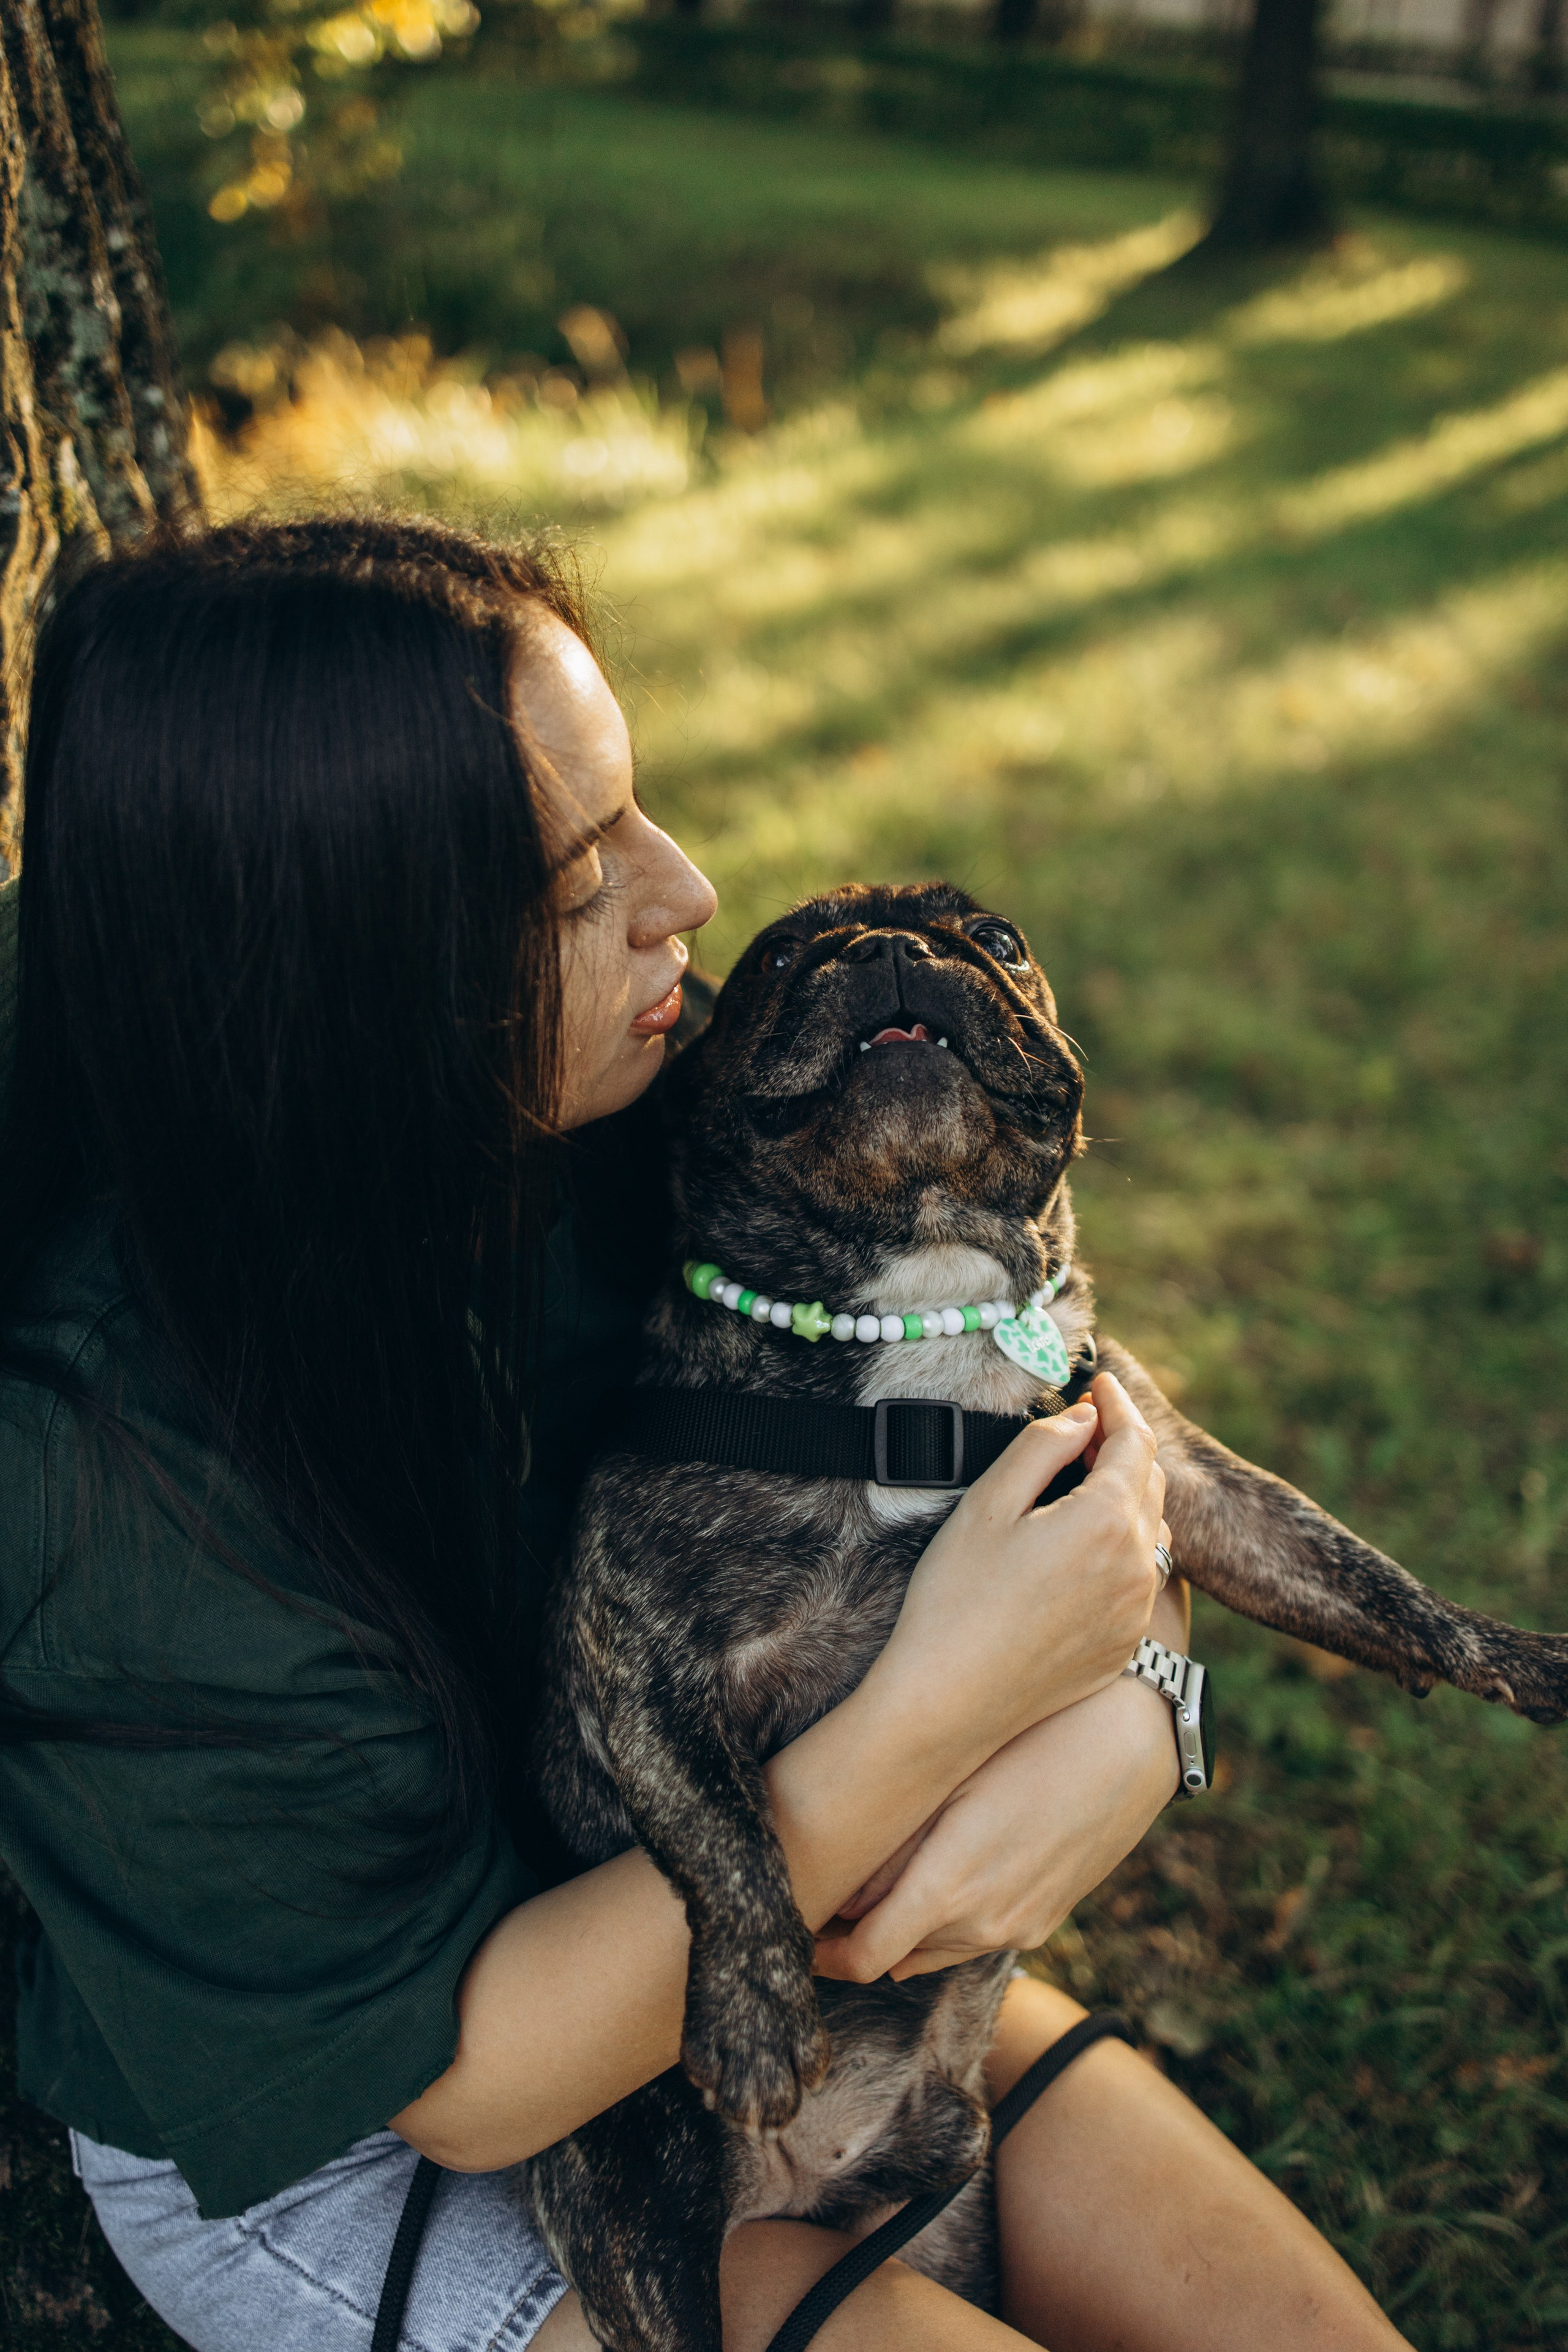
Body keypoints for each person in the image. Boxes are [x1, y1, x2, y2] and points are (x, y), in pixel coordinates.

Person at [0, 517, 1407, 2352]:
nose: (689, 889)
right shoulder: (107, 1472)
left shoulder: (649, 1092)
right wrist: (923, 1730)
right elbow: (473, 2083)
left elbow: (1026, 1399)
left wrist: (1149, 1697)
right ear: (359, 983)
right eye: (575, 882)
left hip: (766, 1950)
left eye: (635, 809)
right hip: (380, 2124)